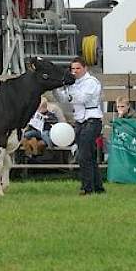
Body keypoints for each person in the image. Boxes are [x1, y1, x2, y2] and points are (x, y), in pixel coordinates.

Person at [53, 57, 104, 195]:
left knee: (83, 155)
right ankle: (98, 187)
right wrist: (56, 89)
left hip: (92, 120)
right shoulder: (73, 83)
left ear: (85, 68)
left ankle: (87, 188)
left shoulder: (91, 82)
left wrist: (69, 88)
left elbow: (82, 98)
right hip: (81, 121)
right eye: (73, 69)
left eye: (78, 68)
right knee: (90, 155)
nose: (75, 71)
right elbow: (63, 99)